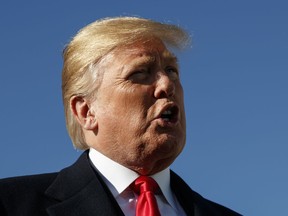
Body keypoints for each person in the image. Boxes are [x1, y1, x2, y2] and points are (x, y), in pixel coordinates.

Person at [0, 17, 241, 216]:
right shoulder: (10, 204)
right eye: (140, 73)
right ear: (86, 111)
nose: (167, 84)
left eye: (171, 70)